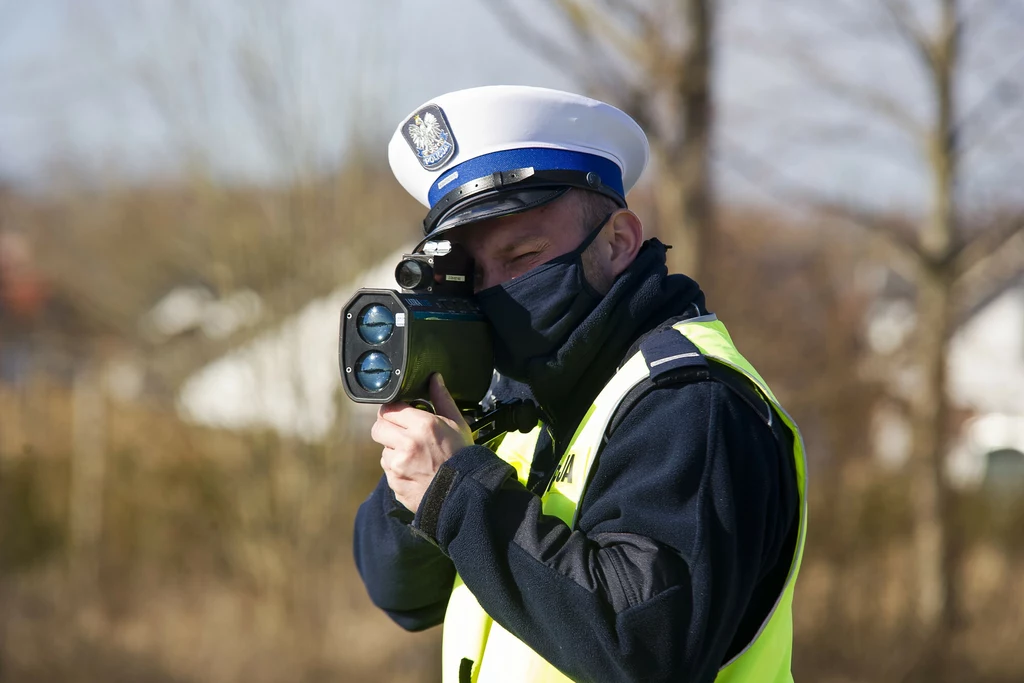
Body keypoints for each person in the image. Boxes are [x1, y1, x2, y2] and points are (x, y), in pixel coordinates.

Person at [354, 85, 807, 683]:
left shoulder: (692, 400)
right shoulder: (521, 406)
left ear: (619, 240)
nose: (497, 291)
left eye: (522, 256)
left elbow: (642, 647)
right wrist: (418, 471)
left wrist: (456, 492)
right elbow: (400, 593)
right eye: (475, 273)